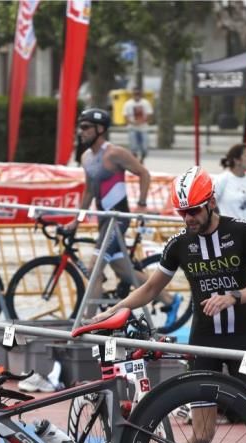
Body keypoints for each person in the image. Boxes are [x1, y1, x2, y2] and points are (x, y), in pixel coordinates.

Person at [90, 165, 246, 418]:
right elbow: (151, 288)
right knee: (200, 438)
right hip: (203, 342)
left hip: (244, 340)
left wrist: (233, 296)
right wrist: (113, 310)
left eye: (194, 210)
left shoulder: (243, 231)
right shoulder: (179, 244)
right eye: (182, 212)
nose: (188, 218)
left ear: (211, 202)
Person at [69, 107, 181, 324]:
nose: (80, 131)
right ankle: (169, 301)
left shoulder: (114, 153)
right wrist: (77, 220)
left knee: (94, 270)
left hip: (118, 220)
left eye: (85, 127)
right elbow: (90, 191)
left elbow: (143, 173)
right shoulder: (85, 157)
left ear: (100, 129)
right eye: (79, 127)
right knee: (123, 269)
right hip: (103, 221)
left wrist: (141, 203)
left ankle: (88, 322)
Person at [122, 87, 154, 163]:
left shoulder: (145, 103)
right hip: (132, 128)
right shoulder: (128, 104)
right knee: (133, 147)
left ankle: (142, 159)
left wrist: (142, 121)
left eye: (138, 94)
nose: (137, 95)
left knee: (145, 148)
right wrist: (132, 122)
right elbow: (125, 116)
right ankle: (136, 162)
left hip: (143, 128)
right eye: (135, 94)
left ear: (141, 94)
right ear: (132, 94)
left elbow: (149, 114)